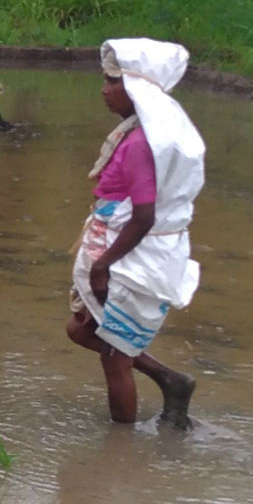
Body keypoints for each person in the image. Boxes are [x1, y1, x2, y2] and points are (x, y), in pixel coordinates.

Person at [66, 38, 203, 429]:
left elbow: (142, 216)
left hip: (126, 256)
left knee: (115, 357)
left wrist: (102, 267)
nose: (104, 89)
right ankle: (169, 378)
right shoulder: (139, 134)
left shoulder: (141, 144)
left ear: (135, 89)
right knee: (80, 330)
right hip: (129, 248)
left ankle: (119, 452)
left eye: (113, 82)